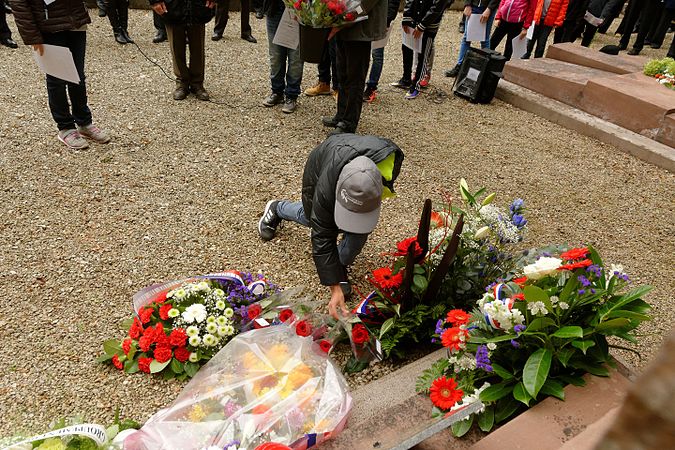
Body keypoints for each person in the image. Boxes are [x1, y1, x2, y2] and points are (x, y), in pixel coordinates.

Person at [257, 134, 404, 320]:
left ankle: (340, 264)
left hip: (351, 163)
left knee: (358, 231)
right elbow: (321, 236)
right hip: (323, 163)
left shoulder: (387, 161)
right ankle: (277, 208)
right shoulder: (326, 188)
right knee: (312, 217)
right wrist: (334, 287)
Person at [10, 0, 109, 149]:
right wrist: (32, 36)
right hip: (48, 26)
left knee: (78, 77)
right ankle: (65, 127)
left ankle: (84, 122)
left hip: (75, 21)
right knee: (57, 79)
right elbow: (18, 3)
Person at [322, 0, 387, 134]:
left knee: (355, 78)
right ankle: (341, 115)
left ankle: (349, 123)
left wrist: (347, 18)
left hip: (360, 31)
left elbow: (364, 5)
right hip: (344, 28)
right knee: (343, 75)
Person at [150, 0, 217, 101]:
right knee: (176, 46)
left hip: (197, 7)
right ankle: (182, 82)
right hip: (172, 6)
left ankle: (197, 83)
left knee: (198, 47)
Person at [391, 0, 449, 99]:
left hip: (429, 25)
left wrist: (422, 25)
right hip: (414, 18)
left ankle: (416, 85)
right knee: (406, 47)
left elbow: (437, 7)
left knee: (424, 54)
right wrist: (406, 17)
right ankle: (406, 79)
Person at [261, 0, 303, 113]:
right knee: (275, 56)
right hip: (275, 10)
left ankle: (292, 95)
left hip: (298, 11)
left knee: (295, 58)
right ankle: (277, 91)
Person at [444, 0, 499, 78]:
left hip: (487, 8)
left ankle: (484, 69)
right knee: (466, 38)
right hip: (474, 6)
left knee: (485, 39)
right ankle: (460, 66)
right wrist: (467, 4)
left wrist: (489, 8)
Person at [363, 0, 401, 103]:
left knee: (377, 55)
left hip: (380, 22)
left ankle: (371, 86)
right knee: (362, 54)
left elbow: (394, 3)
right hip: (364, 21)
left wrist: (387, 20)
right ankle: (358, 85)